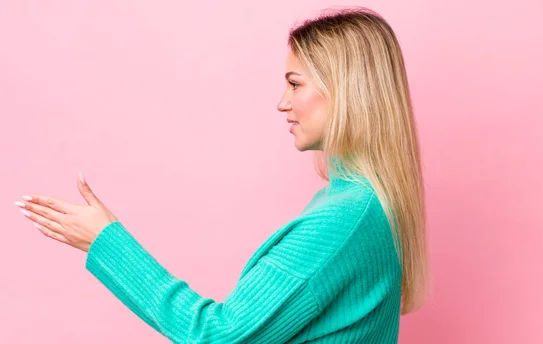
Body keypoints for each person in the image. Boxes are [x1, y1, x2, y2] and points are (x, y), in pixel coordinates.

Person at [14, 6, 429, 343]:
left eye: (295, 83)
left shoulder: (344, 220)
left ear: (344, 89)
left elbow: (218, 336)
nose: (282, 103)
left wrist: (105, 241)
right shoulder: (356, 203)